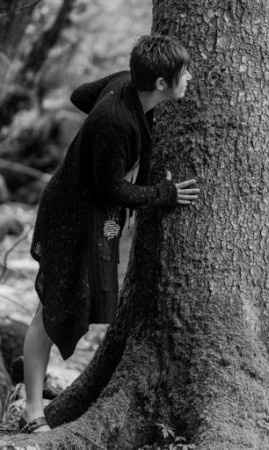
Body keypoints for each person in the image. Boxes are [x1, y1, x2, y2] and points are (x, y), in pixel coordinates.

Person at [22, 34, 200, 433]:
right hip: (71, 217)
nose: (189, 77)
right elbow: (112, 189)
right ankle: (33, 411)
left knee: (58, 305)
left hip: (88, 213)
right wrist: (164, 193)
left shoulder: (124, 84)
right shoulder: (116, 121)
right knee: (50, 308)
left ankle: (32, 393)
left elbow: (79, 94)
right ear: (160, 84)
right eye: (183, 72)